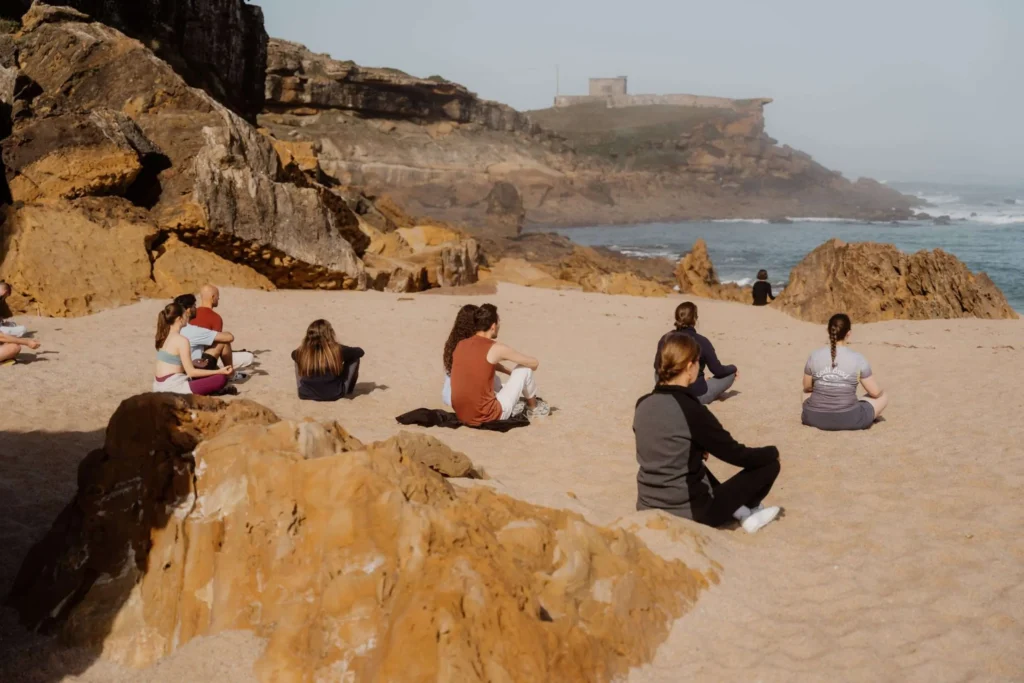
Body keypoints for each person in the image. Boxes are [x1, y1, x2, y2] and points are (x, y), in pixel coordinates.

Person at [635, 332, 781, 534]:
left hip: (646, 504)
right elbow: (736, 454)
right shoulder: (692, 410)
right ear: (689, 367)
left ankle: (742, 512)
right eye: (698, 363)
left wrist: (696, 449)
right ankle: (746, 511)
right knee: (769, 465)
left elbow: (662, 444)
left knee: (688, 459)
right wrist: (772, 451)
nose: (699, 368)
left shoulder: (642, 404)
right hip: (691, 511)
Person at [450, 304, 549, 425]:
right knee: (524, 369)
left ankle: (519, 398)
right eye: (499, 322)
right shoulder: (496, 348)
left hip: (462, 413)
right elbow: (534, 364)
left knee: (489, 375)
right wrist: (518, 373)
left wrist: (510, 373)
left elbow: (482, 362)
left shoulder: (461, 344)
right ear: (493, 326)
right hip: (488, 415)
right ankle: (534, 408)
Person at [802, 313, 888, 431]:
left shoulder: (814, 356)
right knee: (883, 397)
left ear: (828, 331)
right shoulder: (858, 358)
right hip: (850, 418)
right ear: (849, 333)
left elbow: (807, 387)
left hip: (813, 417)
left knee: (805, 393)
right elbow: (875, 393)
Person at [655, 302, 737, 404]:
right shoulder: (702, 341)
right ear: (695, 319)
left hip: (668, 392)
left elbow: (657, 366)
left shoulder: (665, 338)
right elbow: (718, 370)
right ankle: (700, 382)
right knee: (730, 374)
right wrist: (733, 368)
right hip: (696, 396)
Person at [152, 302, 233, 395]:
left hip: (158, 385)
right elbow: (191, 372)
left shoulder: (164, 336)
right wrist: (219, 371)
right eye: (185, 315)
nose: (188, 317)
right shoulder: (182, 340)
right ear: (179, 319)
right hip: (174, 387)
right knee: (220, 378)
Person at [173, 294, 249, 380]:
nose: (196, 309)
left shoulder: (174, 328)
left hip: (178, 370)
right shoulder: (192, 330)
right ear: (189, 310)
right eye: (194, 306)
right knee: (224, 343)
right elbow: (229, 337)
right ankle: (230, 374)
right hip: (193, 370)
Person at [441, 304, 500, 407]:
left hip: (447, 394)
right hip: (461, 398)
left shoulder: (452, 342)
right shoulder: (472, 345)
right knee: (495, 379)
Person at [291, 319, 365, 401]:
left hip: (306, 394)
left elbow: (293, 354)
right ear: (329, 333)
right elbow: (360, 352)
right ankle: (349, 390)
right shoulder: (337, 350)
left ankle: (301, 387)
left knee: (298, 358)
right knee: (354, 358)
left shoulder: (302, 351)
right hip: (335, 394)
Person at [189, 285, 255, 371]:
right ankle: (230, 372)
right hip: (205, 359)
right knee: (249, 357)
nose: (218, 299)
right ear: (213, 297)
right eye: (217, 296)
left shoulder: (191, 314)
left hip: (189, 357)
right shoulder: (215, 317)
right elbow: (217, 343)